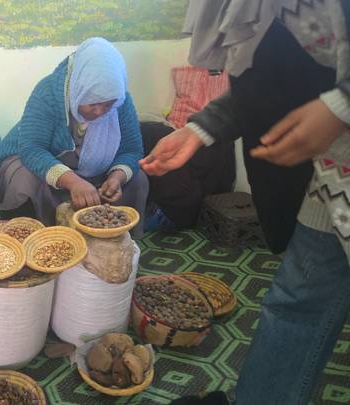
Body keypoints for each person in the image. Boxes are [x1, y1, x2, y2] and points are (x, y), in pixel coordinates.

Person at [140, 1, 350, 404]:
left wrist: (339, 107)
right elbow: (270, 84)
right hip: (334, 176)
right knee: (292, 306)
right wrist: (199, 130)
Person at [0, 37, 148, 237]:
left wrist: (117, 177)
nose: (99, 112)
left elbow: (132, 150)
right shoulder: (49, 92)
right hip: (47, 164)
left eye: (107, 105)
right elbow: (31, 148)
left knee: (137, 179)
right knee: (24, 181)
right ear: (78, 89)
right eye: (92, 103)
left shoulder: (121, 101)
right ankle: (39, 239)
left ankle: (113, 239)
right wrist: (72, 182)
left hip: (94, 170)